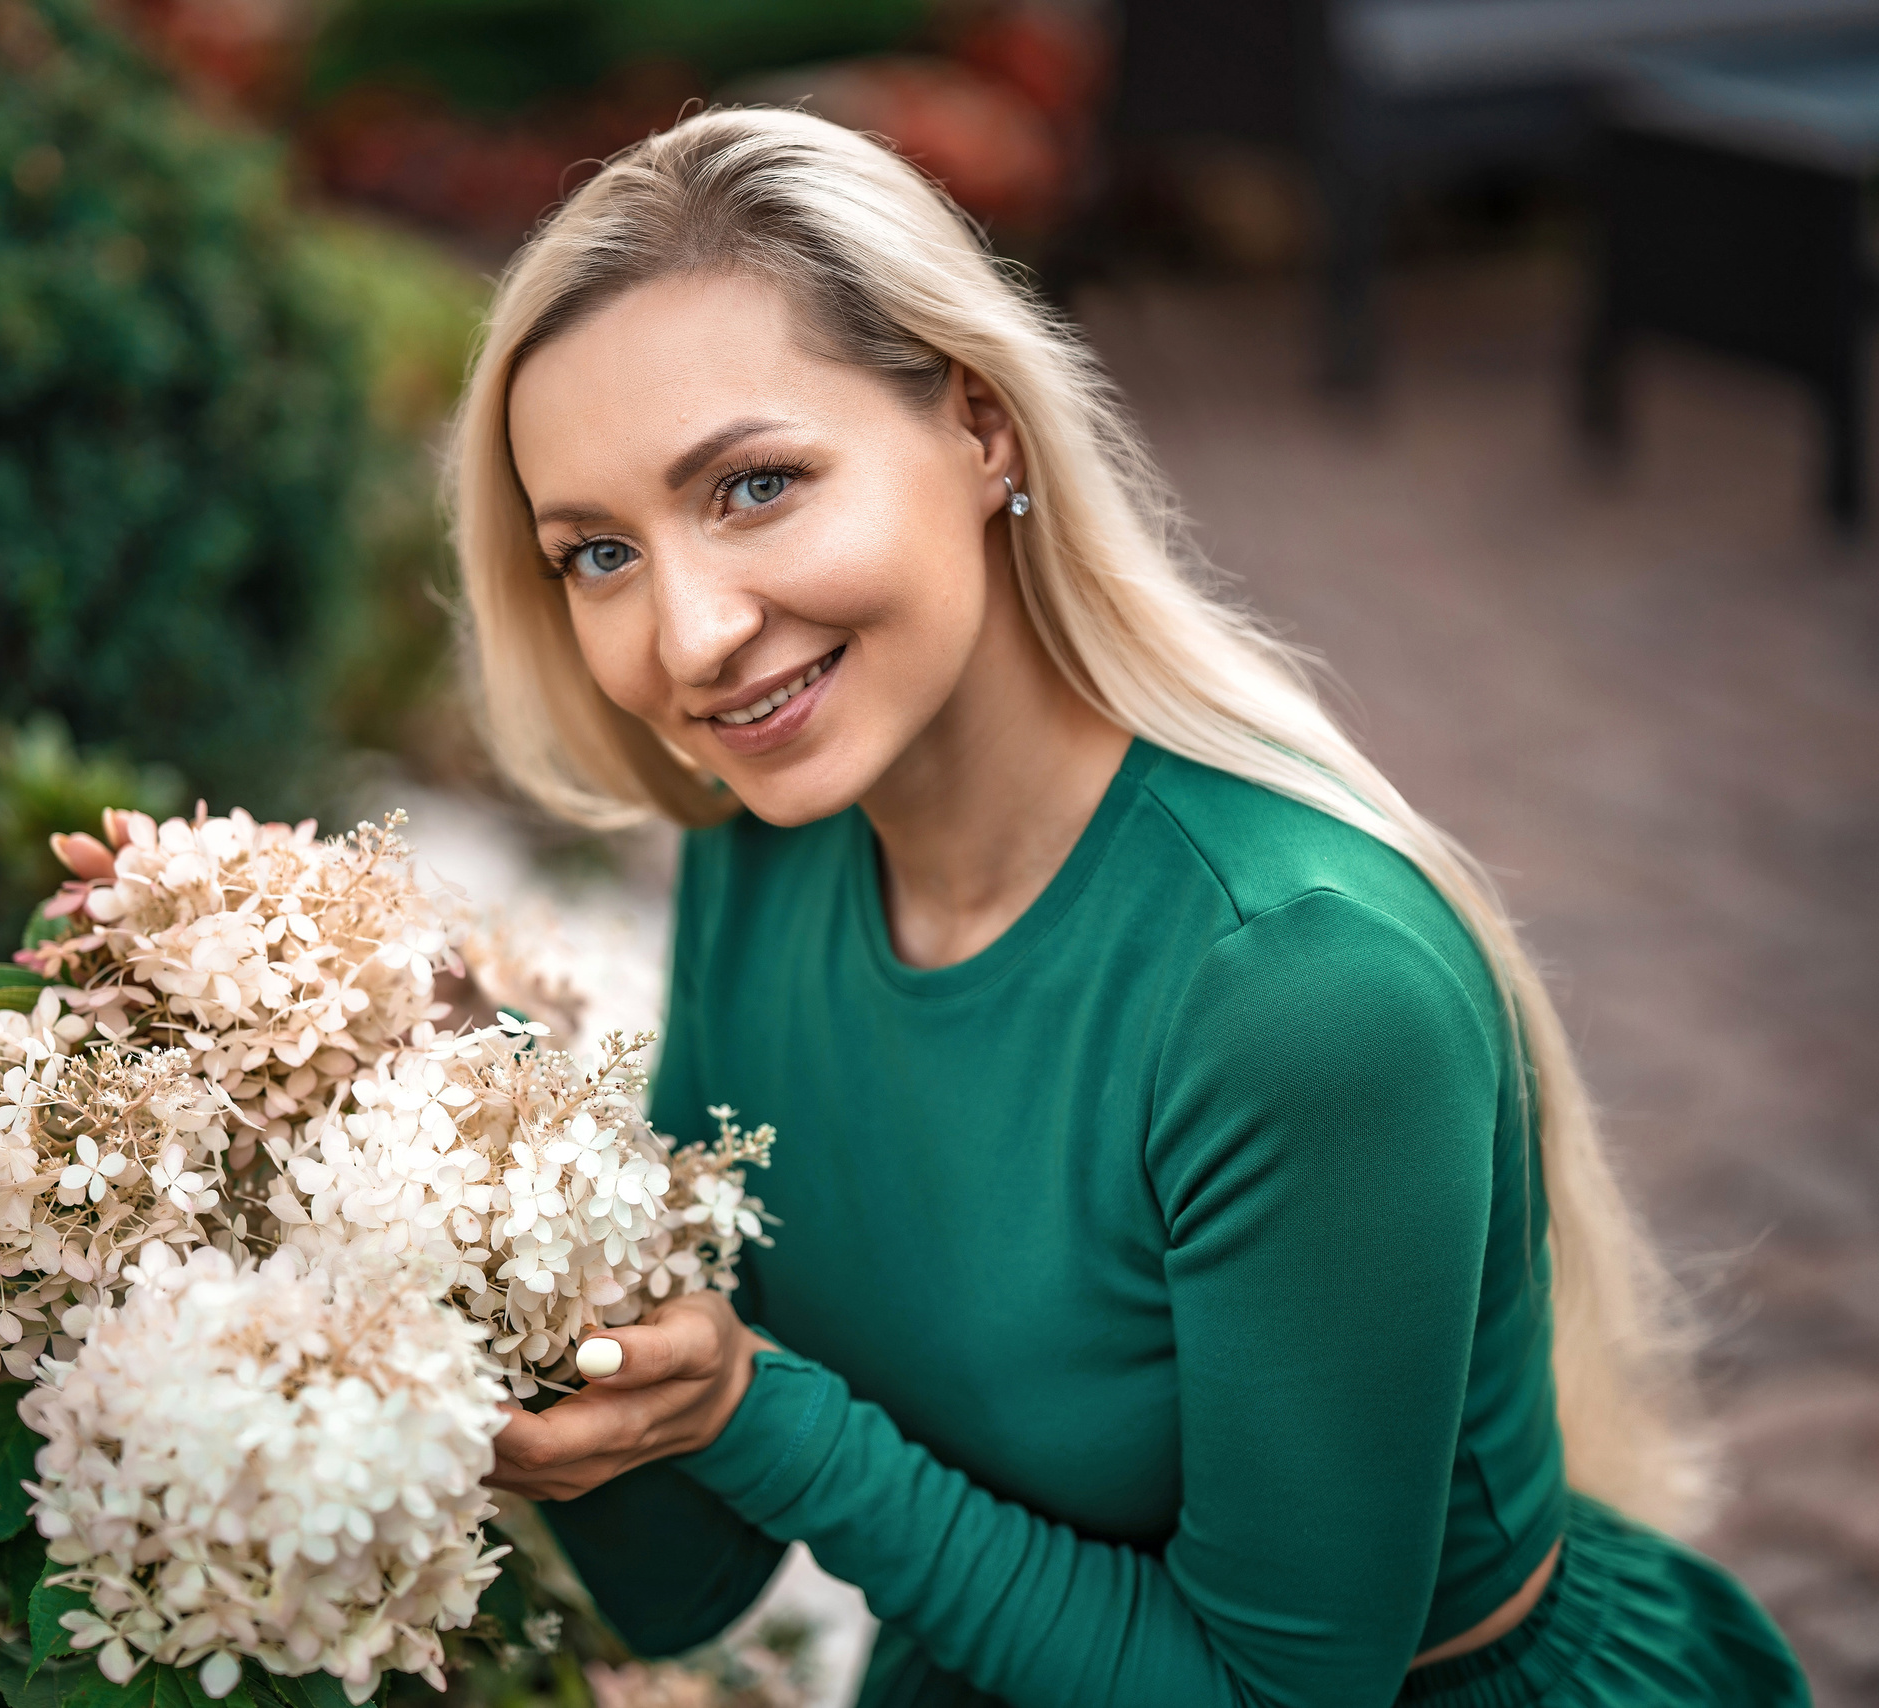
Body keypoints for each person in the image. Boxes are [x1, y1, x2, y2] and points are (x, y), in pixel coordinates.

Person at [448, 108, 1808, 1707]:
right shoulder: (765, 854)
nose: (687, 634)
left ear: (979, 428)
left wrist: (762, 1415)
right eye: (597, 551)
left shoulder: (1299, 992)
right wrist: (447, 1183)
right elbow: (680, 1578)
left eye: (753, 486)